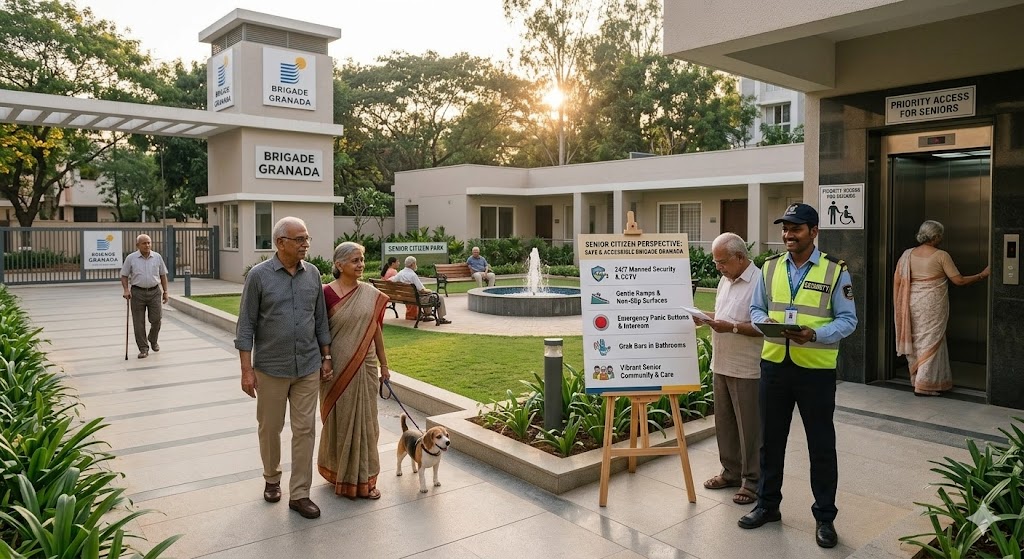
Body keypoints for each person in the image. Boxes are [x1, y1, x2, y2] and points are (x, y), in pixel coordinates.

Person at [740, 203, 858, 550]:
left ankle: (825, 517)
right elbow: (757, 308)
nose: (788, 235)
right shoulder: (770, 267)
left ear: (814, 232)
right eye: (785, 229)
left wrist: (814, 334)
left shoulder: (836, 271)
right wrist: (768, 323)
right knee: (770, 442)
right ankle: (767, 505)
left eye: (796, 229)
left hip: (816, 372)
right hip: (774, 366)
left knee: (821, 446)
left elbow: (848, 320)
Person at [235, 217, 331, 520]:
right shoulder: (259, 276)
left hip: (307, 365)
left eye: (307, 238)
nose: (305, 244)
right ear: (280, 243)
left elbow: (320, 320)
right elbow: (246, 323)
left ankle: (300, 494)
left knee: (305, 430)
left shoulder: (313, 274)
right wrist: (246, 370)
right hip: (270, 368)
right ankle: (272, 478)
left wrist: (326, 356)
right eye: (299, 239)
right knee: (270, 428)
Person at [692, 233, 763, 506]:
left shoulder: (759, 283)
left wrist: (730, 327)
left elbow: (763, 327)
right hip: (721, 363)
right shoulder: (725, 280)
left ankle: (752, 481)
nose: (718, 267)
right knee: (725, 424)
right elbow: (724, 316)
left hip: (746, 367)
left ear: (740, 257)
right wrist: (705, 317)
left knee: (750, 428)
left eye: (722, 262)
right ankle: (731, 472)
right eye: (715, 262)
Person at [318, 242, 392, 499]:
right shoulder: (325, 293)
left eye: (362, 260)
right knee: (339, 421)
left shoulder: (371, 294)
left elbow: (376, 332)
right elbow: (320, 332)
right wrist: (324, 360)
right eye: (355, 261)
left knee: (366, 422)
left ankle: (365, 479)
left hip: (366, 365)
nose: (361, 265)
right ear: (339, 265)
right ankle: (340, 473)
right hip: (336, 368)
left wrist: (384, 365)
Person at [894, 220, 990, 396]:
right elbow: (958, 280)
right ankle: (924, 384)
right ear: (936, 236)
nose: (942, 238)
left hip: (912, 303)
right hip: (932, 304)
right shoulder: (941, 255)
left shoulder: (907, 254)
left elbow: (899, 282)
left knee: (917, 340)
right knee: (931, 340)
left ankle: (917, 378)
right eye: (941, 235)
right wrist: (982, 275)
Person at [120, 234, 169, 359]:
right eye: (144, 243)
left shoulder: (157, 257)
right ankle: (143, 348)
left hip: (154, 292)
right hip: (137, 293)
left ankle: (153, 339)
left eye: (148, 243)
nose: (147, 245)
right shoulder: (131, 258)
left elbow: (163, 275)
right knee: (138, 323)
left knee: (156, 319)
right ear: (138, 245)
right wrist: (126, 290)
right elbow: (124, 275)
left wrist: (166, 291)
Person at [392, 256, 452, 325]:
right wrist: (430, 291)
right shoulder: (412, 275)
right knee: (439, 296)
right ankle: (441, 318)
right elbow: (422, 290)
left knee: (428, 296)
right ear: (412, 264)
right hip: (417, 298)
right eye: (415, 263)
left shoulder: (400, 273)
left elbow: (392, 280)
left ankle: (427, 315)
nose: (415, 265)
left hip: (408, 297)